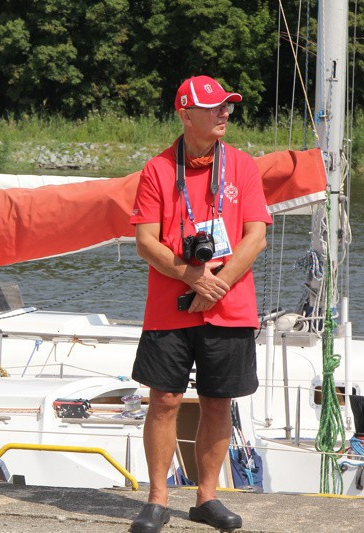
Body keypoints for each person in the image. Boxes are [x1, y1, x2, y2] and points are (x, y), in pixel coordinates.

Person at [128, 75, 271, 533]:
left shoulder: (243, 166)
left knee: (216, 402)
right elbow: (145, 242)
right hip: (171, 303)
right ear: (186, 115)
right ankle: (157, 499)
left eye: (228, 107)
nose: (225, 113)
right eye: (215, 108)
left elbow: (256, 235)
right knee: (165, 400)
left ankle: (207, 498)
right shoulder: (156, 169)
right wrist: (190, 275)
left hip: (229, 304)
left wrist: (219, 283)